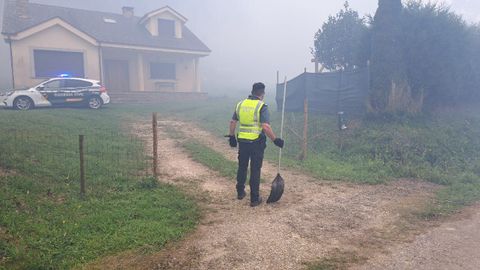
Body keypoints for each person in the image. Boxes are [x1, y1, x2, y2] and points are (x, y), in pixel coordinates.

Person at [228, 82, 284, 207]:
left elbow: (232, 121)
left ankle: (240, 192)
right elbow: (265, 126)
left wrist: (232, 136)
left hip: (242, 141)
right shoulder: (261, 106)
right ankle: (254, 199)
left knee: (242, 166)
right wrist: (275, 140)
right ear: (262, 94)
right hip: (256, 143)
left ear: (252, 91)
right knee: (255, 169)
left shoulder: (240, 104)